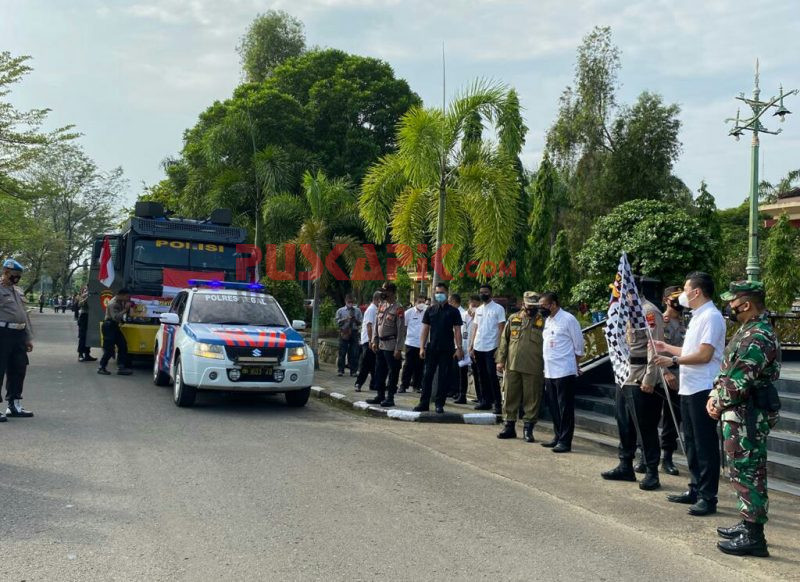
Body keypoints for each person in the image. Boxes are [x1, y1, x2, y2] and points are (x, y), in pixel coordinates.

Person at [710, 281, 780, 557]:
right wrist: (716, 394)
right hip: (738, 412)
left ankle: (754, 536)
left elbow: (740, 380)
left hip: (747, 414)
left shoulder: (758, 335)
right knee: (740, 469)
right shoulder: (748, 330)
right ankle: (747, 522)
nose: (730, 307)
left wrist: (717, 401)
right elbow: (728, 370)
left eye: (733, 302)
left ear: (747, 304)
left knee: (749, 470)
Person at [654, 271, 726, 516]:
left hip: (703, 387)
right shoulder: (696, 316)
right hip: (689, 386)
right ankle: (695, 488)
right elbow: (690, 350)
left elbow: (705, 355)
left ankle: (708, 496)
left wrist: (673, 359)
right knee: (692, 442)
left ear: (696, 292)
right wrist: (666, 347)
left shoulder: (712, 317)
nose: (681, 295)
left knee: (705, 444)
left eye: (685, 290)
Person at [601, 281, 665, 491]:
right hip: (624, 375)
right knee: (624, 424)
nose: (618, 295)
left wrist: (650, 377)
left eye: (621, 291)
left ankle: (652, 471)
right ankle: (625, 464)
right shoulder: (622, 313)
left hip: (640, 376)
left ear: (633, 291)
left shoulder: (648, 312)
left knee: (645, 427)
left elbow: (654, 347)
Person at [495, 292, 545, 442]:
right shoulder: (513, 318)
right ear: (523, 304)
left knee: (532, 398)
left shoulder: (543, 321)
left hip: (534, 366)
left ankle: (528, 430)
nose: (531, 309)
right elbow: (504, 340)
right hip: (512, 365)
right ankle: (509, 426)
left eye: (535, 306)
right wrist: (500, 360)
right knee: (510, 396)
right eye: (529, 306)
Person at [540, 291, 584, 453]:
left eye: (544, 305)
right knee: (553, 406)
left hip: (564, 370)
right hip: (549, 371)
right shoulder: (549, 320)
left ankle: (565, 441)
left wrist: (575, 365)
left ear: (553, 304)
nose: (541, 308)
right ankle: (557, 436)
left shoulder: (568, 319)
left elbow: (579, 346)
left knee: (565, 407)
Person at [413, 282, 463, 414]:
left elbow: (457, 330)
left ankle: (439, 404)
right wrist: (422, 347)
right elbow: (425, 329)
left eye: (441, 292)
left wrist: (459, 348)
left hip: (447, 349)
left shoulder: (454, 311)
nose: (439, 295)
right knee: (427, 376)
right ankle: (424, 403)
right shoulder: (430, 310)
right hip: (432, 348)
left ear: (447, 293)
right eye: (437, 292)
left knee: (443, 377)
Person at [0, 259, 35, 420]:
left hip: (19, 334)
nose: (17, 278)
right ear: (6, 272)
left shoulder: (18, 291)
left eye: (19, 275)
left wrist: (27, 337)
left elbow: (24, 315)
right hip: (3, 333)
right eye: (15, 275)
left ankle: (14, 405)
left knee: (19, 369)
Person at [367, 283, 406, 407]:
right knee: (379, 371)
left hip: (391, 345)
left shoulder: (398, 308)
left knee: (393, 372)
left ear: (391, 292)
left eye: (385, 291)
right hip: (381, 344)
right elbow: (376, 325)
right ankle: (380, 395)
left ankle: (390, 397)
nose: (382, 293)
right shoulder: (382, 305)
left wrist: (398, 348)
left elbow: (401, 330)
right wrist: (374, 340)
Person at [469, 284, 506, 413]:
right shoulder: (478, 309)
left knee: (492, 376)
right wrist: (471, 345)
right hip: (479, 346)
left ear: (490, 293)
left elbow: (501, 328)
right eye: (481, 292)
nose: (482, 294)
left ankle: (497, 404)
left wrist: (500, 348)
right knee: (481, 375)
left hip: (492, 347)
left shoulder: (498, 309)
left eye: (485, 292)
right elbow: (475, 328)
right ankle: (485, 402)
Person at [98, 288, 133, 376]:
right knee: (109, 349)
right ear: (123, 295)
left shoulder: (121, 301)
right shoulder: (113, 303)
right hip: (109, 326)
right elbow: (116, 317)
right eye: (127, 297)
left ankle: (121, 367)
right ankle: (101, 367)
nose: (129, 299)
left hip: (115, 326)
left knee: (123, 345)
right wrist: (125, 310)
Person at [355, 291, 381, 392]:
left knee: (374, 364)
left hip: (374, 340)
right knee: (367, 364)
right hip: (369, 340)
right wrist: (371, 341)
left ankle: (374, 384)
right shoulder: (371, 310)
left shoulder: (377, 309)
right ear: (377, 299)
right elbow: (369, 326)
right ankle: (359, 383)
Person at [399, 295, 426, 393]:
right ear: (415, 302)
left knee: (420, 366)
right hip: (410, 343)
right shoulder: (408, 313)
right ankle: (403, 385)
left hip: (422, 344)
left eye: (423, 302)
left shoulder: (427, 312)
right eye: (419, 302)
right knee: (408, 365)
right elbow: (404, 328)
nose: (421, 304)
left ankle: (417, 386)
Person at [448, 293, 469, 404]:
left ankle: (458, 392)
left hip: (460, 346)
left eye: (449, 301)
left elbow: (460, 332)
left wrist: (458, 347)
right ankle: (453, 391)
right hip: (455, 345)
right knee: (454, 370)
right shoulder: (455, 312)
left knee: (459, 372)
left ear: (453, 301)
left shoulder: (461, 313)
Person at [335, 295, 362, 377]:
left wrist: (355, 320)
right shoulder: (340, 310)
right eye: (349, 302)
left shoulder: (357, 311)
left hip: (354, 332)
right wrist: (345, 319)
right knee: (342, 352)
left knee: (354, 352)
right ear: (345, 302)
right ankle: (340, 370)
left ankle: (353, 371)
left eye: (352, 302)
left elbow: (360, 322)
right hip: (344, 332)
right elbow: (337, 322)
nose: (350, 304)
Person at [465, 294, 483, 403]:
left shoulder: (480, 316)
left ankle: (482, 397)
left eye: (477, 305)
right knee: (473, 374)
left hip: (477, 348)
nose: (474, 307)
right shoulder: (463, 315)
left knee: (479, 374)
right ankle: (478, 396)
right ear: (469, 304)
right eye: (473, 305)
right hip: (465, 348)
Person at [76, 288, 96, 362]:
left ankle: (87, 354)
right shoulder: (84, 295)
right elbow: (79, 304)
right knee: (82, 336)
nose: (86, 291)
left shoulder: (94, 294)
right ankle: (80, 354)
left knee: (89, 336)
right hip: (84, 316)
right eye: (85, 290)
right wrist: (87, 297)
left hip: (91, 317)